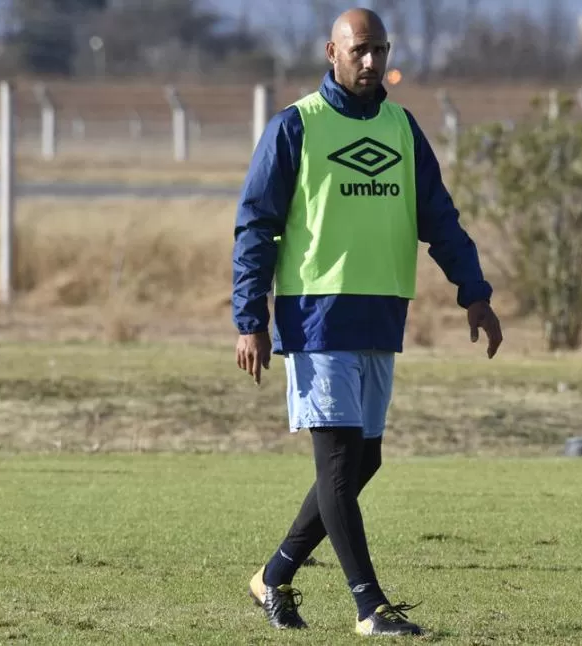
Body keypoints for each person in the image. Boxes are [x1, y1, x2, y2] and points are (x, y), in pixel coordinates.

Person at [231, 7, 503, 636]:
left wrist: (475, 293)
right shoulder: (296, 125)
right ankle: (368, 606)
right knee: (335, 466)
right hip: (316, 315)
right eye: (359, 51)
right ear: (332, 51)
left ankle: (272, 577)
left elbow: (439, 216)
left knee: (364, 462)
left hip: (382, 315)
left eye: (380, 50)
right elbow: (257, 228)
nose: (372, 62)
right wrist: (251, 319)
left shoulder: (402, 128)